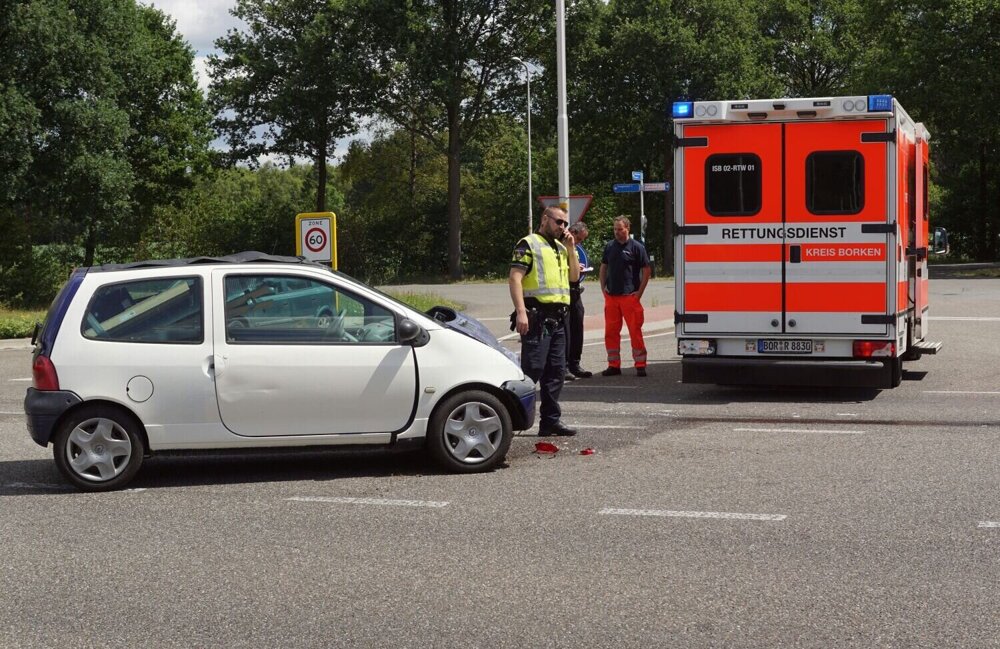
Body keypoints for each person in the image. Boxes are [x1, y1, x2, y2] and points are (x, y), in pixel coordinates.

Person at [509, 206, 580, 436]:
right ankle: (512, 418)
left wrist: (571, 249)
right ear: (545, 219)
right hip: (537, 316)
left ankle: (550, 421)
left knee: (557, 372)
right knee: (533, 369)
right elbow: (515, 278)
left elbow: (573, 278)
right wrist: (520, 311)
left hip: (559, 318)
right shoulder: (528, 244)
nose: (562, 227)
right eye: (559, 222)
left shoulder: (561, 247)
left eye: (565, 224)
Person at [599, 215, 652, 377]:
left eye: (620, 229)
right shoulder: (609, 246)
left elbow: (646, 271)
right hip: (612, 297)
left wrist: (639, 293)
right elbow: (603, 267)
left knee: (635, 332)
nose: (617, 232)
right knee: (610, 332)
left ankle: (640, 364)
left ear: (627, 228)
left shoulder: (637, 247)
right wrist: (603, 288)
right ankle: (613, 365)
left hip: (630, 296)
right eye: (615, 229)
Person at [564, 220, 593, 380]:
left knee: (577, 328)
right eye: (580, 239)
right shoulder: (560, 246)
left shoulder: (573, 247)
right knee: (566, 331)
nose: (580, 242)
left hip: (575, 291)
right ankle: (565, 366)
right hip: (564, 291)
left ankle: (575, 364)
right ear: (573, 233)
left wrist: (578, 267)